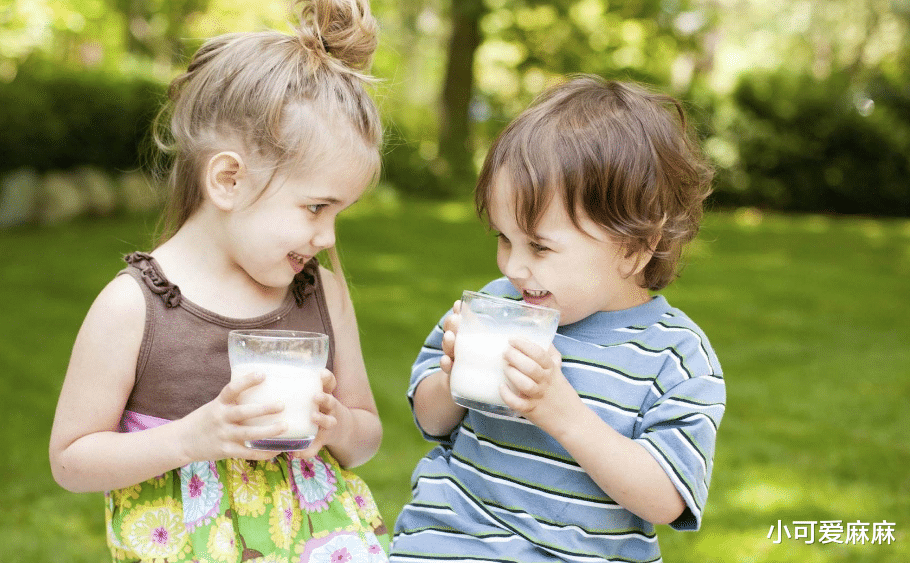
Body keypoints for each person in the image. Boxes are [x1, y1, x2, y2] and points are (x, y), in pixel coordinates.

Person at [48, 1, 390, 560]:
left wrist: (338, 427)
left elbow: (368, 435)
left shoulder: (321, 292)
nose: (328, 237)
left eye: (338, 214)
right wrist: (191, 439)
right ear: (229, 179)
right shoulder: (134, 308)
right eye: (315, 208)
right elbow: (70, 460)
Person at [390, 76, 726, 562]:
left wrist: (561, 412)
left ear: (633, 249)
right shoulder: (497, 305)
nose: (512, 267)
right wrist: (451, 376)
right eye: (504, 239)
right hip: (450, 543)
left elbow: (667, 499)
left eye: (540, 246)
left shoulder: (675, 356)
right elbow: (431, 419)